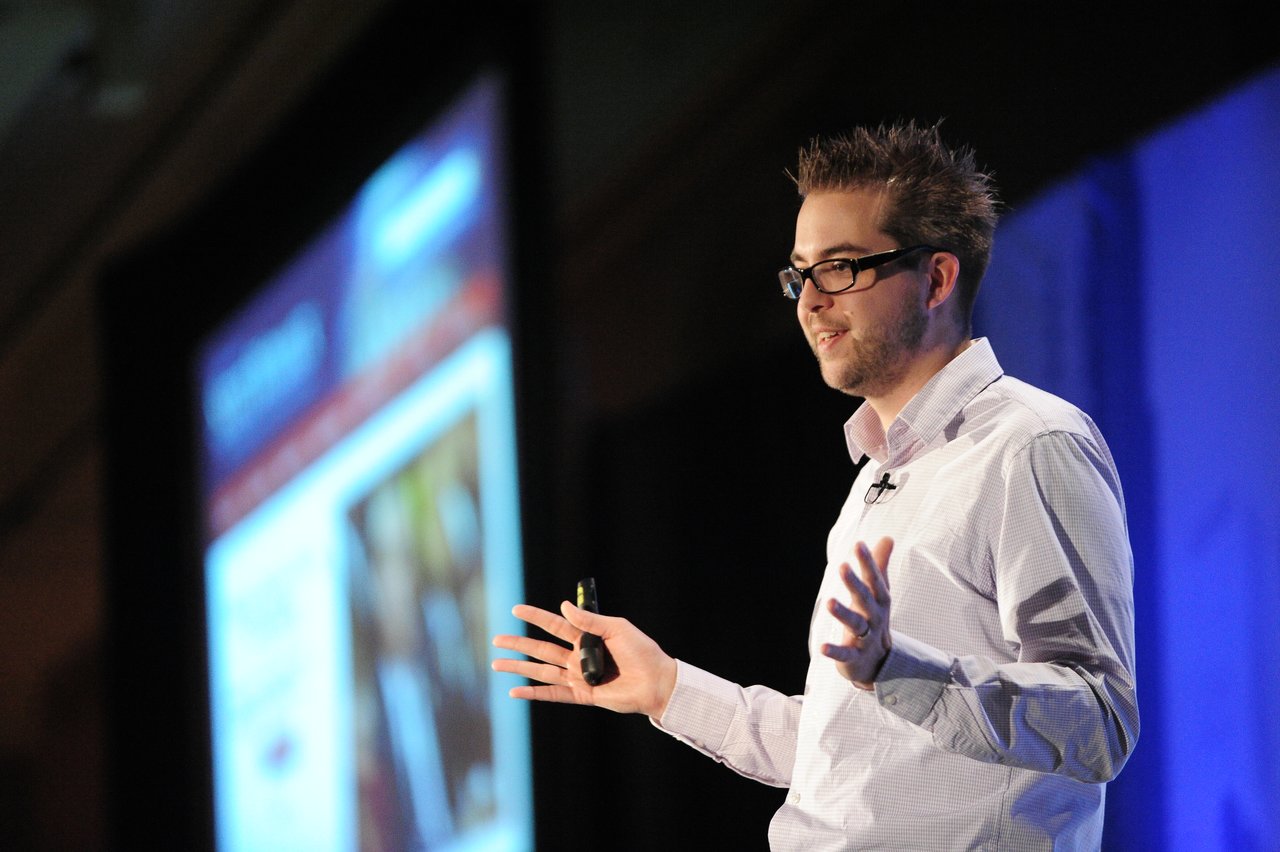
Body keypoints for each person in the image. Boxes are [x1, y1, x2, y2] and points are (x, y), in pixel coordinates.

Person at [491, 121, 1139, 850]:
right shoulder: (877, 478)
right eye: (801, 274)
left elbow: (1100, 720)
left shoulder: (1029, 444)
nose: (809, 302)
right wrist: (667, 687)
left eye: (840, 269)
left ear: (935, 279)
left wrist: (898, 670)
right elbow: (848, 755)